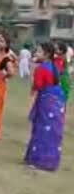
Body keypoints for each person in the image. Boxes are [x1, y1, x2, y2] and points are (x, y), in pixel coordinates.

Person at [24, 42, 65, 171]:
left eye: (39, 52)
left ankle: (38, 159)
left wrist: (32, 72)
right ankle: (50, 160)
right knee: (52, 131)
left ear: (46, 54)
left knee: (42, 129)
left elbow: (37, 86)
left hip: (46, 101)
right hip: (57, 102)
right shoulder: (53, 66)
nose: (36, 53)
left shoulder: (41, 68)